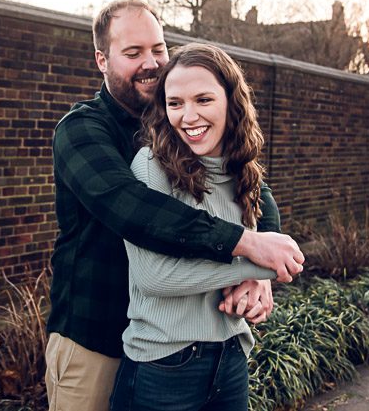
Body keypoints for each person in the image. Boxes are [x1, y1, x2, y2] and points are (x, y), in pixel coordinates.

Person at [45, 0, 304, 411]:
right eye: (133, 53)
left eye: (158, 49)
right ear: (102, 60)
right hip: (95, 338)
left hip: (180, 340)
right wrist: (247, 247)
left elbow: (252, 188)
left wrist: (261, 274)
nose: (151, 63)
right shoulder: (82, 131)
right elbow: (133, 209)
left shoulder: (179, 127)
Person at [110, 42, 280, 411]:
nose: (188, 116)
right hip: (163, 367)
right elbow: (153, 277)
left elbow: (262, 233)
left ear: (231, 101)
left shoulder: (243, 172)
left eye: (203, 100)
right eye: (175, 103)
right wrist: (261, 264)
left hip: (231, 359)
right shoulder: (151, 167)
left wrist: (257, 280)